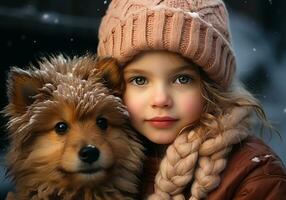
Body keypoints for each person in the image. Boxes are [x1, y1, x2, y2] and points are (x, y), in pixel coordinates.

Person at [96, 0, 286, 199]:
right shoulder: (91, 165)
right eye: (139, 80)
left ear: (210, 86)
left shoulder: (253, 177)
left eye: (182, 79)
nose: (160, 99)